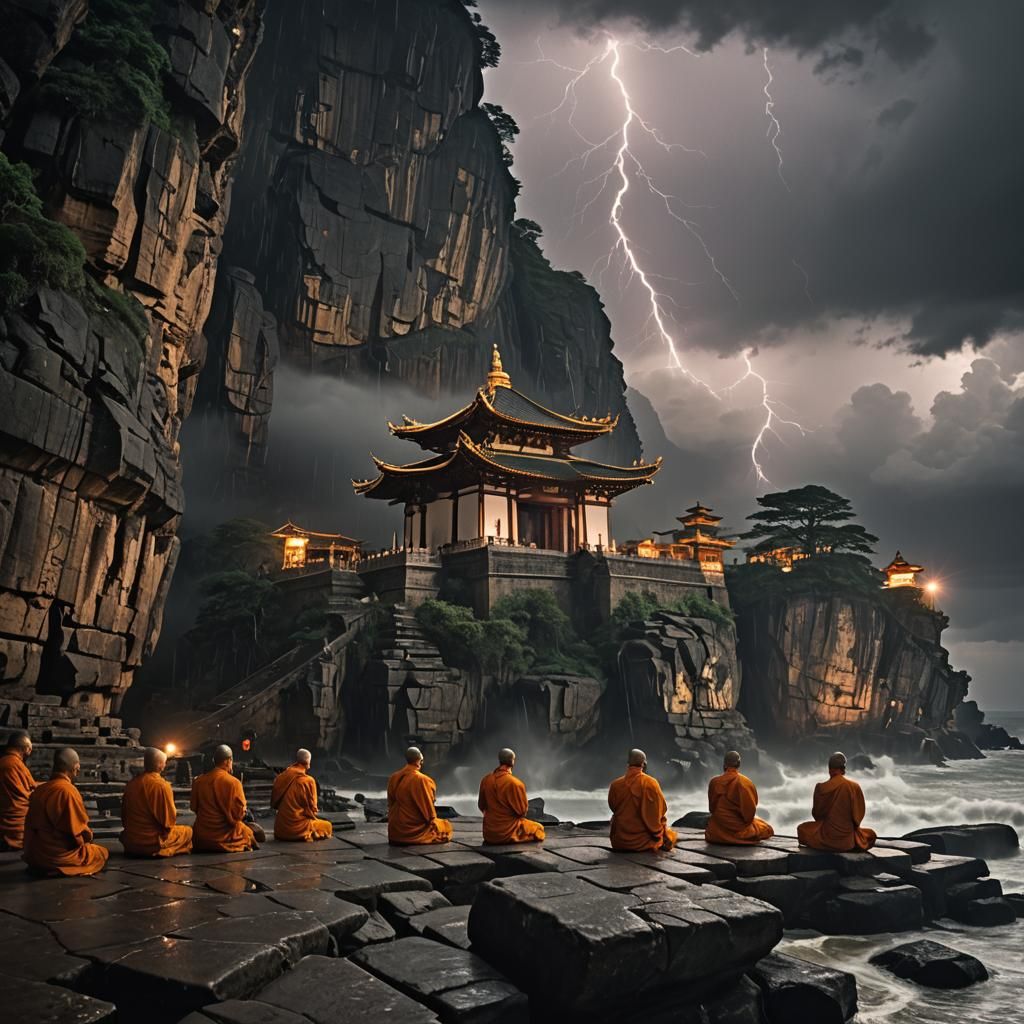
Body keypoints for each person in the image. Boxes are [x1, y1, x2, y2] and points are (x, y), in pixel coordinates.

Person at [23, 748, 109, 876]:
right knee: (101, 852)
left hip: (35, 855)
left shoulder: (39, 790)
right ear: (75, 768)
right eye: (78, 766)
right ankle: (58, 868)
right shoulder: (67, 791)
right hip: (55, 857)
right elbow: (78, 835)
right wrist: (88, 837)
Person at [797, 752, 877, 852]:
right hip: (848, 842)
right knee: (871, 835)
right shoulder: (854, 786)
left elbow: (817, 815)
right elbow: (858, 818)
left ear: (829, 769)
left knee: (802, 829)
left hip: (826, 837)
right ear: (843, 769)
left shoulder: (820, 788)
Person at [119, 747, 193, 857]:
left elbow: (124, 816)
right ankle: (163, 850)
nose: (165, 765)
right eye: (164, 763)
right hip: (152, 841)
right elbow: (168, 822)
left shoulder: (131, 784)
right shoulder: (161, 786)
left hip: (131, 841)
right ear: (160, 765)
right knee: (188, 832)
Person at [190, 745, 264, 852]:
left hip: (201, 836)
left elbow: (193, 807)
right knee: (247, 832)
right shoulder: (233, 782)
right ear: (228, 761)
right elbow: (239, 814)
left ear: (214, 761)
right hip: (224, 835)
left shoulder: (198, 781)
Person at [608, 748, 677, 852]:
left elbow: (613, 807)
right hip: (643, 842)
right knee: (671, 835)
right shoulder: (651, 783)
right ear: (644, 764)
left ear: (628, 763)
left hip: (619, 841)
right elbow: (659, 811)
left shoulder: (615, 785)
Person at [705, 750, 775, 846]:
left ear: (724, 765)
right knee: (767, 829)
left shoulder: (714, 782)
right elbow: (749, 814)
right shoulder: (745, 782)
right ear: (739, 764)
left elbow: (711, 808)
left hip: (716, 832)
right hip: (738, 830)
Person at [478, 748, 545, 845]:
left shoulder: (486, 780)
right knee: (539, 828)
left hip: (489, 833)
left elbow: (481, 805)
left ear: (500, 760)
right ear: (513, 761)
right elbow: (522, 812)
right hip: (507, 833)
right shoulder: (516, 784)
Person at [386, 746, 452, 845]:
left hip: (394, 831)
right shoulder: (423, 780)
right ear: (421, 760)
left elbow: (390, 803)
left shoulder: (393, 777)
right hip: (411, 832)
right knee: (446, 826)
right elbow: (429, 813)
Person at [271, 748, 333, 842]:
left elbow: (274, 802)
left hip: (280, 829)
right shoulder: (308, 781)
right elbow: (313, 808)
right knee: (327, 825)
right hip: (297, 830)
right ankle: (306, 833)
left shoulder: (281, 777)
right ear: (308, 762)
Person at [0, 730, 37, 850]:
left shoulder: (5, 762)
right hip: (18, 825)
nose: (31, 750)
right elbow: (31, 791)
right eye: (29, 746)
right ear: (25, 748)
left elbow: (25, 787)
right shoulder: (15, 764)